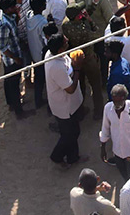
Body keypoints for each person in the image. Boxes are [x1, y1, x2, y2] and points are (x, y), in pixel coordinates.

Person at [44, 34, 85, 166]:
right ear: (60, 49)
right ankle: (57, 157)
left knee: (72, 132)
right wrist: (77, 69)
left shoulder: (56, 54)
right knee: (69, 135)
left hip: (70, 104)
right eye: (66, 43)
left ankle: (73, 157)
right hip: (64, 107)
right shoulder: (56, 67)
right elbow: (70, 89)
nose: (68, 42)